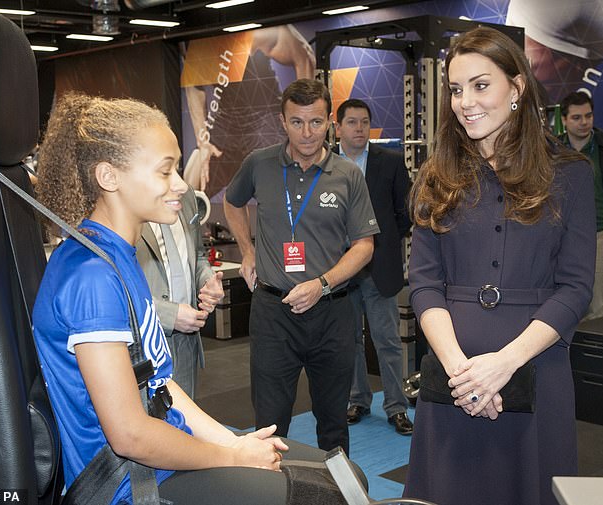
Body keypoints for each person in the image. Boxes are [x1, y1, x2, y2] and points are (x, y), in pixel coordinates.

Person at [32, 93, 336, 505]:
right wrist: (232, 457)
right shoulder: (91, 276)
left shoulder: (116, 255)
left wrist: (233, 443)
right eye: (165, 172)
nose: (180, 185)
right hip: (131, 482)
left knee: (339, 475)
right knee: (320, 496)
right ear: (108, 176)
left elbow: (159, 384)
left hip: (164, 454)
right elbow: (130, 434)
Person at [403, 27, 595, 505]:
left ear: (517, 87)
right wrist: (462, 374)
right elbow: (424, 283)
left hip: (536, 375)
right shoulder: (437, 173)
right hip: (454, 379)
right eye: (455, 88)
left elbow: (575, 288)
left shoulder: (569, 172)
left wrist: (504, 365)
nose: (465, 101)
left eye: (481, 85)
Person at [223, 79, 379, 454]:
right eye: (296, 122)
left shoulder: (347, 175)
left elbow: (364, 246)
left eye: (315, 122)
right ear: (282, 121)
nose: (306, 133)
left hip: (332, 313)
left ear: (329, 122)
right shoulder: (259, 164)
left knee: (333, 424)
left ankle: (336, 496)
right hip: (273, 314)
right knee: (269, 425)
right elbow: (232, 202)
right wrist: (247, 251)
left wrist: (322, 284)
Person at [333, 98, 413, 435]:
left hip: (379, 268)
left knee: (387, 341)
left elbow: (405, 213)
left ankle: (396, 406)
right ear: (337, 128)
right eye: (352, 122)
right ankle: (357, 400)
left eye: (364, 122)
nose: (359, 129)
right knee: (347, 341)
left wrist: (383, 242)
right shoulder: (324, 164)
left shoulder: (391, 162)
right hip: (338, 269)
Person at [182, 24, 316, 197]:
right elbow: (193, 85)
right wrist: (203, 142)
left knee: (278, 192)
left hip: (263, 117)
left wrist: (301, 122)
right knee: (191, 186)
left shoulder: (256, 31)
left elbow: (304, 57)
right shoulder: (197, 37)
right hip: (226, 118)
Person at [136, 189, 224, 399]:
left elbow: (197, 256)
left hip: (187, 340)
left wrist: (206, 281)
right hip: (143, 342)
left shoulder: (186, 196)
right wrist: (168, 314)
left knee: (184, 424)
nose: (180, 183)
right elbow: (115, 283)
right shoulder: (127, 199)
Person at [559, 91, 603, 320]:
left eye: (588, 115)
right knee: (567, 302)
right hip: (564, 238)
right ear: (564, 120)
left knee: (597, 306)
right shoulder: (552, 150)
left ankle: (592, 354)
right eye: (576, 117)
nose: (584, 122)